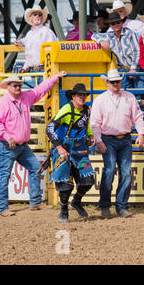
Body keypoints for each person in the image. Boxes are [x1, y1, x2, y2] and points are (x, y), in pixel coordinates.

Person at [0, 71, 67, 217]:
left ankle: (35, 202)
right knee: (5, 174)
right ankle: (2, 207)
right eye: (15, 85)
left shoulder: (25, 97)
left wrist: (54, 77)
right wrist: (8, 137)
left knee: (35, 168)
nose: (18, 88)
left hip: (21, 145)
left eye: (19, 85)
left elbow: (40, 89)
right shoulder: (2, 103)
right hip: (7, 145)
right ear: (8, 87)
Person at [90, 69, 144, 218]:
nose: (115, 84)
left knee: (125, 173)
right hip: (108, 139)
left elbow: (138, 117)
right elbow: (94, 122)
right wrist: (99, 140)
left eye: (117, 81)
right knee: (109, 171)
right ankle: (105, 205)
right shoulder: (100, 100)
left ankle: (121, 206)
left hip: (125, 138)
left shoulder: (129, 97)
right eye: (113, 82)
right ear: (107, 83)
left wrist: (140, 133)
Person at [46, 83, 95, 223]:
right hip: (64, 149)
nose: (82, 97)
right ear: (73, 97)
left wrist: (90, 135)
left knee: (88, 179)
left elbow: (87, 126)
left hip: (80, 151)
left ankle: (76, 202)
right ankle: (63, 209)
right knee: (65, 184)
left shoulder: (87, 111)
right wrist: (59, 147)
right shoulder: (66, 110)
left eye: (84, 95)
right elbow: (50, 128)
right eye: (79, 95)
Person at [92, 12, 142, 94]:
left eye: (118, 22)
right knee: (126, 94)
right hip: (122, 70)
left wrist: (133, 69)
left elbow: (136, 51)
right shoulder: (109, 35)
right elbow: (94, 36)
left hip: (136, 68)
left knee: (139, 93)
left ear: (122, 23)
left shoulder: (129, 33)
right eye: (113, 23)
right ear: (110, 25)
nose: (116, 25)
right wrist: (101, 41)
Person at [14, 5, 58, 73]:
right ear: (30, 18)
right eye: (35, 14)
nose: (37, 16)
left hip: (44, 69)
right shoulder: (30, 34)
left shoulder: (47, 32)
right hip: (33, 69)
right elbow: (26, 46)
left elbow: (51, 52)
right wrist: (25, 67)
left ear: (42, 17)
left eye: (40, 14)